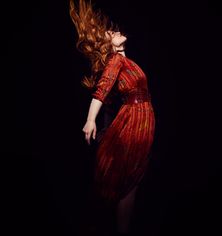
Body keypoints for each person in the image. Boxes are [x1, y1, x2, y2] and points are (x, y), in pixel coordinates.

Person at [69, 0, 156, 235]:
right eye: (110, 33)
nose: (115, 31)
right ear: (108, 45)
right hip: (134, 120)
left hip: (142, 120)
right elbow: (101, 90)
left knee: (131, 182)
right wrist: (90, 120)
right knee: (126, 182)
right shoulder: (115, 61)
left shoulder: (124, 61)